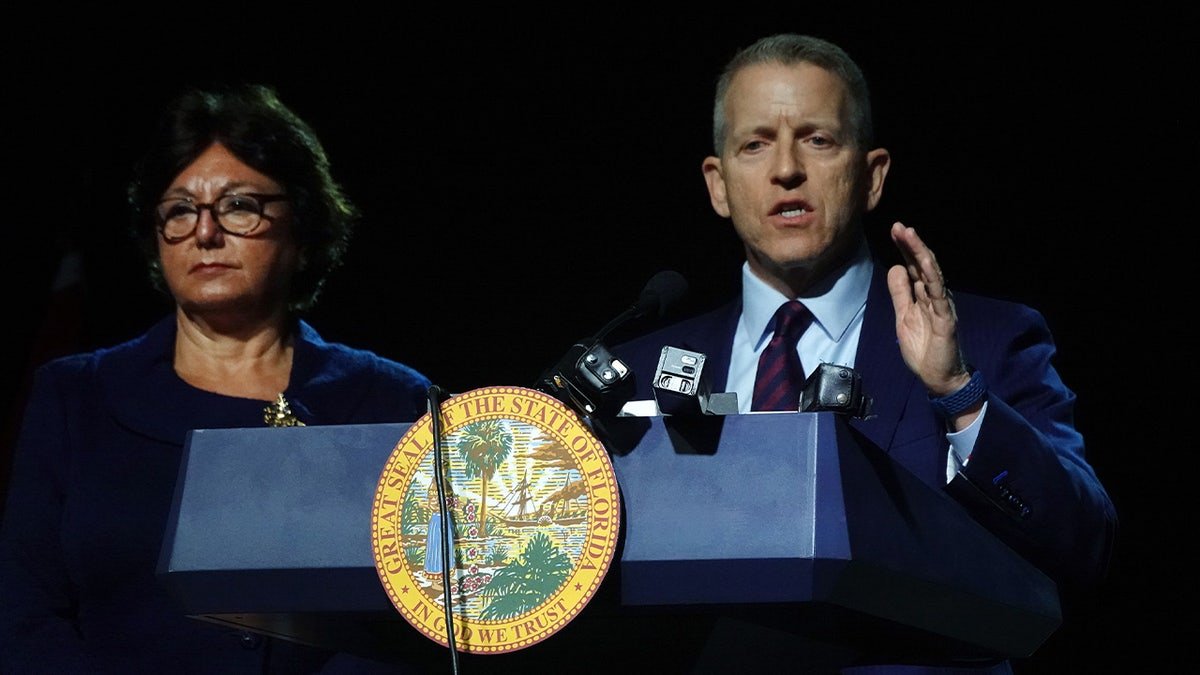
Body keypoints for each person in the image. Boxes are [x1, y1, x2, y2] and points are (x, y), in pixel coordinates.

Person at [609, 34, 1118, 673]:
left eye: (818, 140)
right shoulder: (636, 368)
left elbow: (1082, 547)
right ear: (718, 184)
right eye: (755, 143)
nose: (786, 169)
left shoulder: (987, 342)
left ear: (872, 175)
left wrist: (957, 394)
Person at [0, 84, 433, 673]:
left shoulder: (393, 399)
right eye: (179, 210)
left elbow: (433, 620)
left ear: (302, 230)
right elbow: (24, 617)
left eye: (237, 206)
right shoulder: (75, 398)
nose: (204, 233)